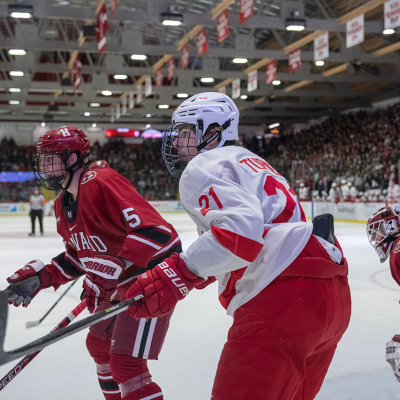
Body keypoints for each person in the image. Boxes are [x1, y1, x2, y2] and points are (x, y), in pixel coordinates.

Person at [125, 92, 352, 400]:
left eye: (185, 131)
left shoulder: (203, 165)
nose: (177, 141)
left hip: (283, 296)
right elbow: (254, 233)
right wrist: (198, 271)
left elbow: (241, 235)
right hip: (331, 297)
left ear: (213, 133)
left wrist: (178, 273)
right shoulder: (253, 161)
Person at [5, 126, 182, 400]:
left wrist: (114, 266)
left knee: (126, 365)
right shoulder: (61, 204)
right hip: (116, 289)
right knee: (98, 346)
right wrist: (43, 277)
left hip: (147, 282)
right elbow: (80, 257)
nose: (44, 165)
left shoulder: (99, 181)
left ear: (73, 158)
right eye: (43, 158)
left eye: (51, 158)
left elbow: (159, 234)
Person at [366, 205, 400, 381]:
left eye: (376, 231)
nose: (373, 238)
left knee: (396, 351)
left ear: (389, 227)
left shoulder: (397, 252)